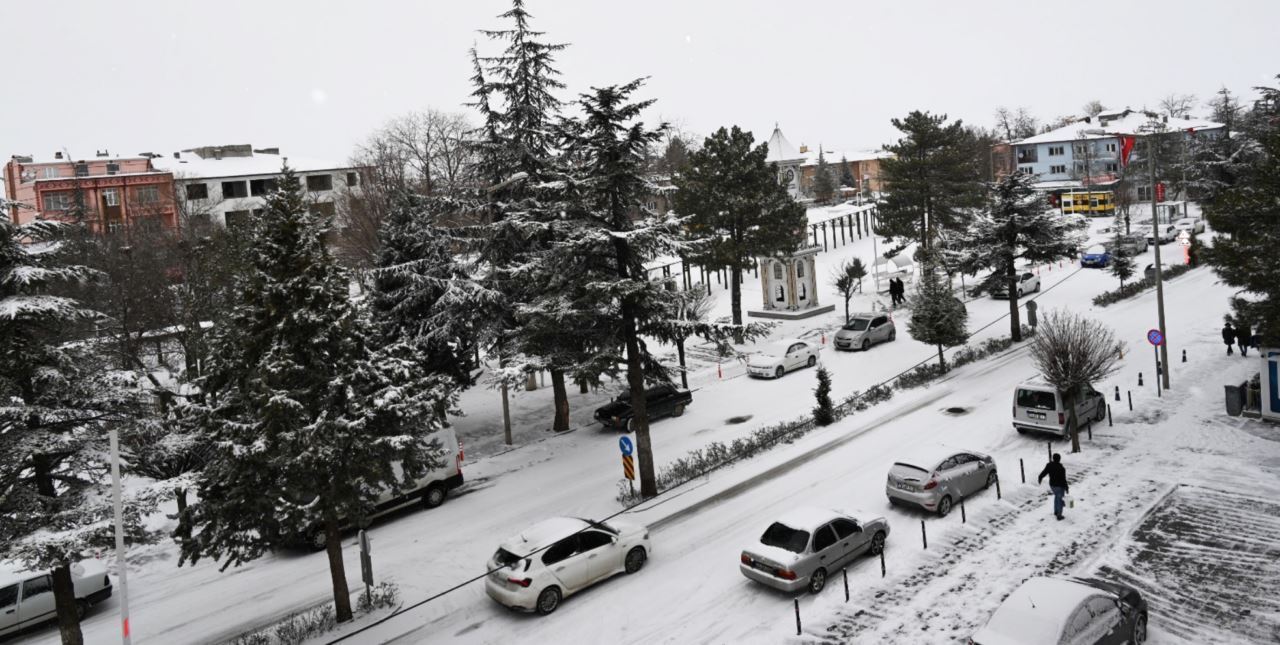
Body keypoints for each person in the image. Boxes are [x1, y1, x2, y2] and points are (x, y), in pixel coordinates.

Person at [1038, 453, 1069, 520]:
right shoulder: (1061, 468)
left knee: (1056, 497)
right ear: (1059, 459)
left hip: (1052, 485)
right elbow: (1063, 479)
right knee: (1060, 500)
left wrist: (1040, 477)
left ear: (1053, 458)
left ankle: (1056, 511)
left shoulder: (1049, 465)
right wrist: (1066, 487)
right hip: (1060, 486)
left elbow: (1044, 472)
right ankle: (1059, 515)